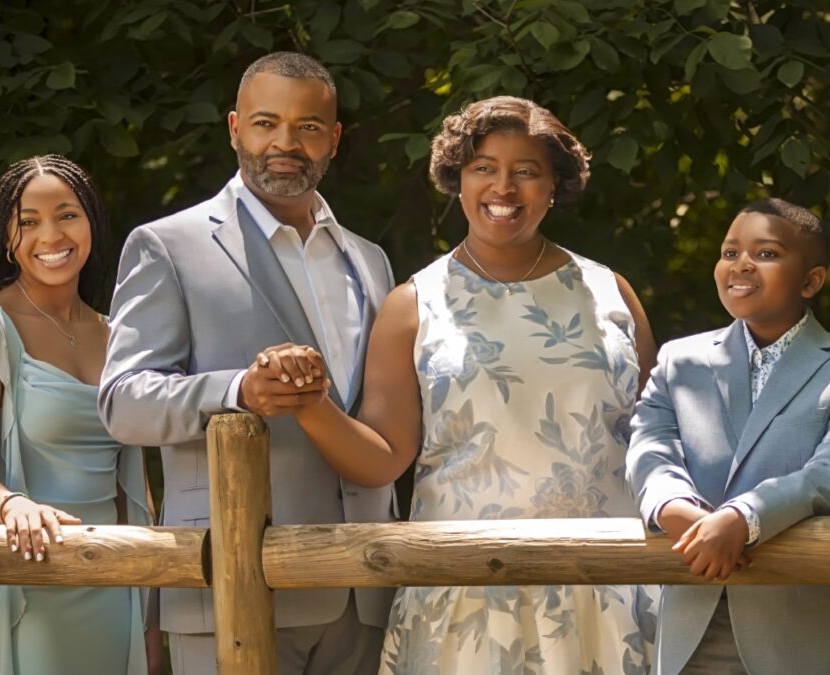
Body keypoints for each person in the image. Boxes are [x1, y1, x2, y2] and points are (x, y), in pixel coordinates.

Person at [265, 96, 659, 674]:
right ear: (458, 179)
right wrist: (309, 405)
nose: (504, 188)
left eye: (526, 171)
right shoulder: (413, 305)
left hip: (604, 588)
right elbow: (383, 459)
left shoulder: (611, 294)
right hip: (465, 592)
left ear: (555, 186)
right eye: (484, 168)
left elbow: (658, 441)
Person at [97, 52, 396, 675]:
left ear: (334, 139)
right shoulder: (168, 246)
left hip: (365, 585)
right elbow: (122, 402)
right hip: (232, 580)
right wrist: (238, 389)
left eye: (308, 127)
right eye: (266, 123)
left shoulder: (370, 260)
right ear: (235, 128)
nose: (285, 143)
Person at [626, 198, 830, 674]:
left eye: (766, 253)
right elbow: (650, 449)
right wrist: (677, 512)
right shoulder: (678, 360)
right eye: (730, 253)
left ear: (811, 280)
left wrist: (742, 519)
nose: (742, 264)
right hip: (693, 625)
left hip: (807, 632)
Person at [0, 155, 159, 675]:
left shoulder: (117, 335)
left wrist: (149, 620)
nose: (50, 235)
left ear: (91, 223)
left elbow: (133, 490)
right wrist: (13, 505)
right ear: (7, 238)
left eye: (67, 215)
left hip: (113, 583)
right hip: (30, 582)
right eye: (28, 222)